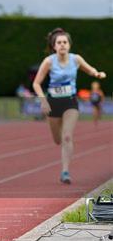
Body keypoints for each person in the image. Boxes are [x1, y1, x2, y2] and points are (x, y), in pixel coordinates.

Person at [32, 28, 106, 184]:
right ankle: (62, 154)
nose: (62, 45)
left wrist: (97, 73)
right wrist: (43, 101)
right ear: (54, 46)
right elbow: (36, 83)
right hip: (52, 103)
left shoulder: (76, 59)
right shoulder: (49, 61)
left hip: (70, 102)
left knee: (67, 136)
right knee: (57, 140)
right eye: (59, 43)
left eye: (65, 42)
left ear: (69, 45)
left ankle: (65, 171)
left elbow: (89, 69)